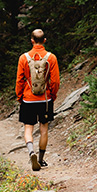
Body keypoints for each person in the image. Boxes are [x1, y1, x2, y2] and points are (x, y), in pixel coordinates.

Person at [15, 28, 60, 171]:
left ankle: (31, 152)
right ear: (45, 40)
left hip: (28, 99)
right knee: (44, 129)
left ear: (32, 41)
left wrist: (19, 96)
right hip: (45, 99)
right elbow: (55, 81)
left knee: (28, 128)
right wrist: (52, 95)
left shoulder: (24, 58)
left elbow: (19, 80)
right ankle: (41, 159)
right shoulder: (51, 57)